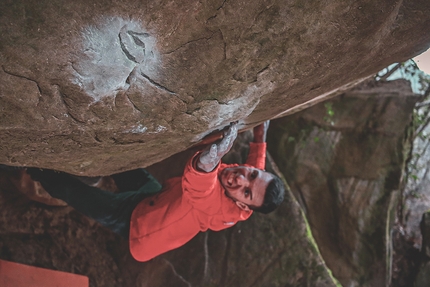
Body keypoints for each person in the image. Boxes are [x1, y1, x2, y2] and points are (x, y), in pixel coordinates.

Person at [27, 121, 285, 262]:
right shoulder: (250, 196)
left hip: (139, 224)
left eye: (246, 192)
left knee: (73, 193)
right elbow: (256, 170)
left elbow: (201, 189)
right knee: (122, 161)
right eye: (251, 175)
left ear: (242, 206)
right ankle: (92, 169)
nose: (241, 178)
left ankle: (30, 165)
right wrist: (260, 137)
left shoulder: (216, 210)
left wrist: (209, 161)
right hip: (156, 196)